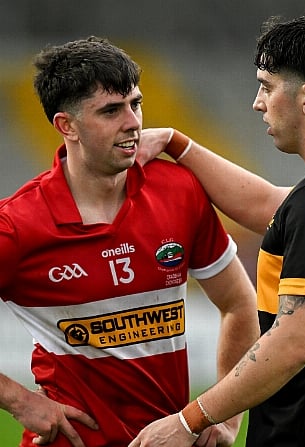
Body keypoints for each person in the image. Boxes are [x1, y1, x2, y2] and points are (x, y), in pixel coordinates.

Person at [130, 12, 305, 447]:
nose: (258, 102)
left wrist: (188, 420)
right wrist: (181, 146)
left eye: (267, 87)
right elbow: (269, 205)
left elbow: (293, 342)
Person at [0, 36, 259, 446]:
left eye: (135, 104)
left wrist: (224, 416)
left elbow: (239, 304)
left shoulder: (180, 191)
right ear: (66, 125)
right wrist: (17, 400)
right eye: (111, 110)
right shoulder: (17, 224)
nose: (133, 122)